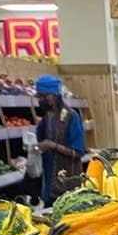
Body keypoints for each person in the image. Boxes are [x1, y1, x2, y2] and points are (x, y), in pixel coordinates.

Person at [35, 74, 85, 203]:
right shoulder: (47, 118)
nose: (40, 100)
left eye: (43, 96)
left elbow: (78, 152)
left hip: (67, 185)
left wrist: (52, 145)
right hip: (49, 183)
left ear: (54, 95)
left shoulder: (71, 117)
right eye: (39, 96)